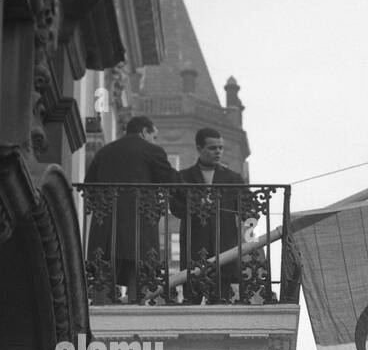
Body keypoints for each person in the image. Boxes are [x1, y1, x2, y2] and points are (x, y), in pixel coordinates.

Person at [83, 115, 180, 301]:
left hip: (105, 224)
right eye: (154, 136)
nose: (154, 141)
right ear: (144, 132)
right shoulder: (151, 150)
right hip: (139, 223)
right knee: (139, 272)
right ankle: (136, 308)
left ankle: (101, 307)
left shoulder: (104, 151)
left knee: (103, 273)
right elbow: (171, 180)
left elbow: (89, 185)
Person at [174, 127, 254, 303]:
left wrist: (248, 232)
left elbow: (250, 209)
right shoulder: (184, 177)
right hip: (194, 247)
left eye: (220, 148)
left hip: (223, 248)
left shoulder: (233, 178)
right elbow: (176, 208)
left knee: (221, 301)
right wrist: (195, 205)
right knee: (191, 301)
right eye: (212, 148)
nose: (218, 151)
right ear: (199, 148)